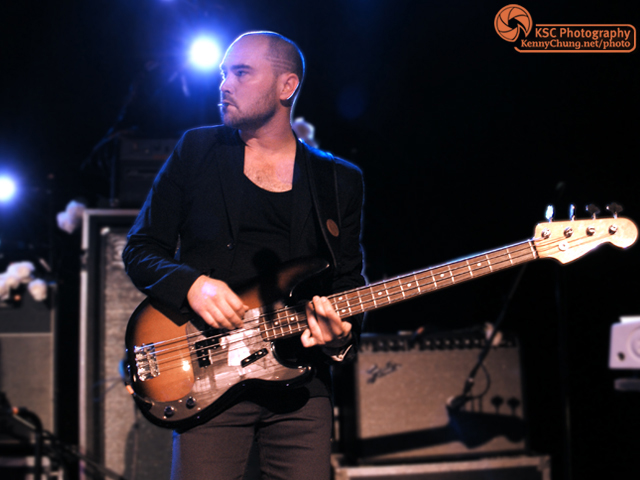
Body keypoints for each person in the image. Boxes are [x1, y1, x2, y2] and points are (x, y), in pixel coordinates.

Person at [122, 31, 366, 480]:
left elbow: (348, 283)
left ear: (286, 87)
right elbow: (140, 248)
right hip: (208, 377)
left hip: (301, 389)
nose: (224, 84)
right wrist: (192, 286)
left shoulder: (338, 181)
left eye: (241, 72)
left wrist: (339, 336)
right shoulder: (197, 150)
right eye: (222, 73)